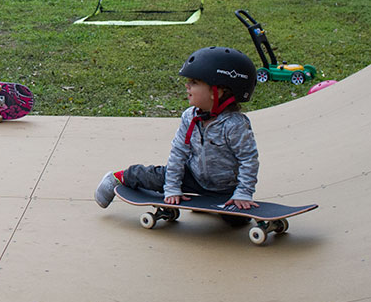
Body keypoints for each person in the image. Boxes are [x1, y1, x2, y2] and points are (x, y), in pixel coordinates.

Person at [95, 46, 260, 215]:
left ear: (217, 91)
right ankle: (118, 178)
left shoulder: (235, 125)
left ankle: (208, 202)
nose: (187, 86)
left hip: (224, 187)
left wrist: (244, 193)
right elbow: (178, 152)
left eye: (194, 82)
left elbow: (248, 159)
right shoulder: (189, 117)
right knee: (155, 176)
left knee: (238, 219)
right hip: (191, 176)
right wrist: (172, 186)